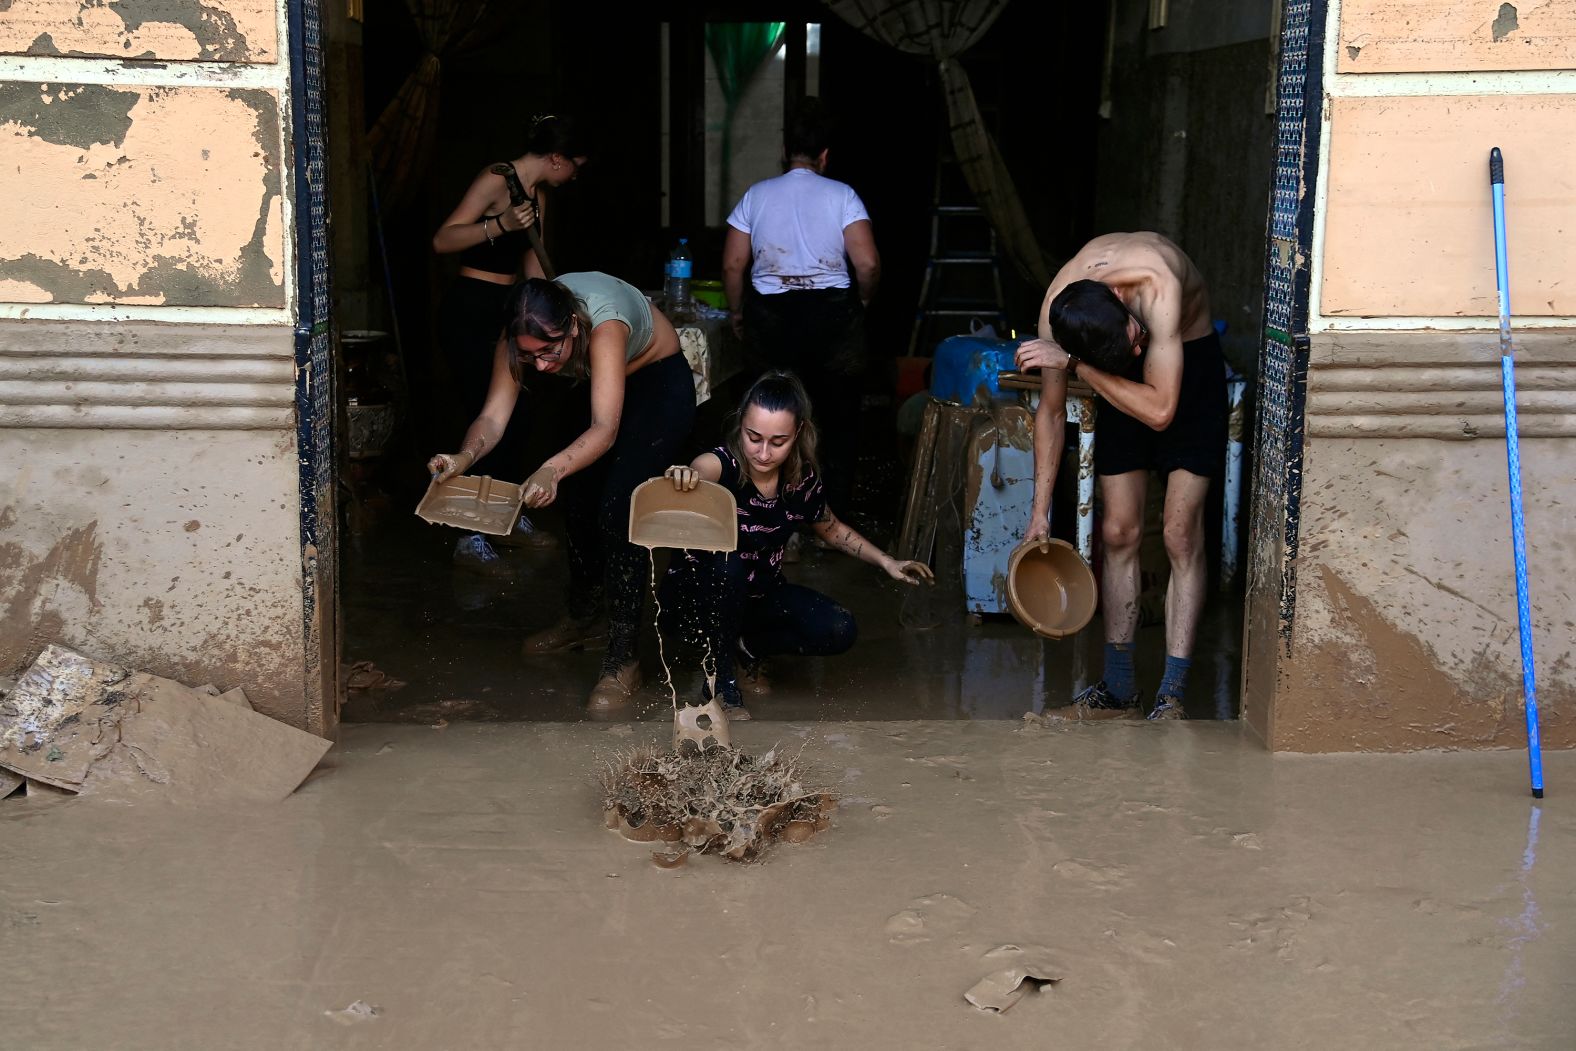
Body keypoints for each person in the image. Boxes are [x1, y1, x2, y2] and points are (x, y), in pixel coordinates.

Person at [428, 273, 695, 713]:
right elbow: (493, 419)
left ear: (573, 325)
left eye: (549, 352)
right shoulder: (524, 338)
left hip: (655, 384)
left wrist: (550, 469)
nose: (542, 367)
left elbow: (604, 430)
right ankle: (583, 619)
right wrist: (462, 459)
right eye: (528, 356)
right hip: (590, 383)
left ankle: (623, 658)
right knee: (580, 503)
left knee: (619, 507)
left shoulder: (605, 327)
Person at [1014, 232, 1226, 721]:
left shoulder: (1157, 286)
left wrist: (1078, 365)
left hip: (1185, 371)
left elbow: (1161, 412)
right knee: (1117, 531)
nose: (1136, 351)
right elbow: (1049, 412)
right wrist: (1039, 513)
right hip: (1104, 368)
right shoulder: (1057, 313)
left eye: (1134, 340)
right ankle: (1119, 688)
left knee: (1178, 533)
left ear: (1120, 303)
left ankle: (1171, 694)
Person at [657, 371, 931, 720]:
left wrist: (887, 561)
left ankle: (745, 648)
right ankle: (721, 680)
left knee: (838, 629)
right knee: (729, 564)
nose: (764, 452)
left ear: (798, 433)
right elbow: (699, 469)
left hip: (756, 597)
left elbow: (832, 529)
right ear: (741, 423)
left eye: (778, 441)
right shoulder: (722, 465)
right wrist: (685, 475)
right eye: (753, 437)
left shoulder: (800, 481)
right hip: (696, 601)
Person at [431, 114, 589, 574]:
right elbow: (442, 239)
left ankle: (503, 516)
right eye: (574, 165)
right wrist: (497, 225)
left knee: (520, 414)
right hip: (470, 306)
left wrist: (556, 310)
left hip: (513, 308)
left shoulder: (538, 196)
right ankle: (469, 535)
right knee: (483, 416)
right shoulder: (496, 179)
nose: (575, 175)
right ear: (556, 158)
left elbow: (534, 266)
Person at [722, 97, 880, 519]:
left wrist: (738, 312)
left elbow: (734, 264)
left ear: (784, 153)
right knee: (839, 420)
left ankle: (771, 518)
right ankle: (833, 522)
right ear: (824, 156)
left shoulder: (756, 196)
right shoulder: (843, 195)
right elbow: (866, 263)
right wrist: (859, 302)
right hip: (832, 318)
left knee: (769, 423)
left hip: (771, 321)